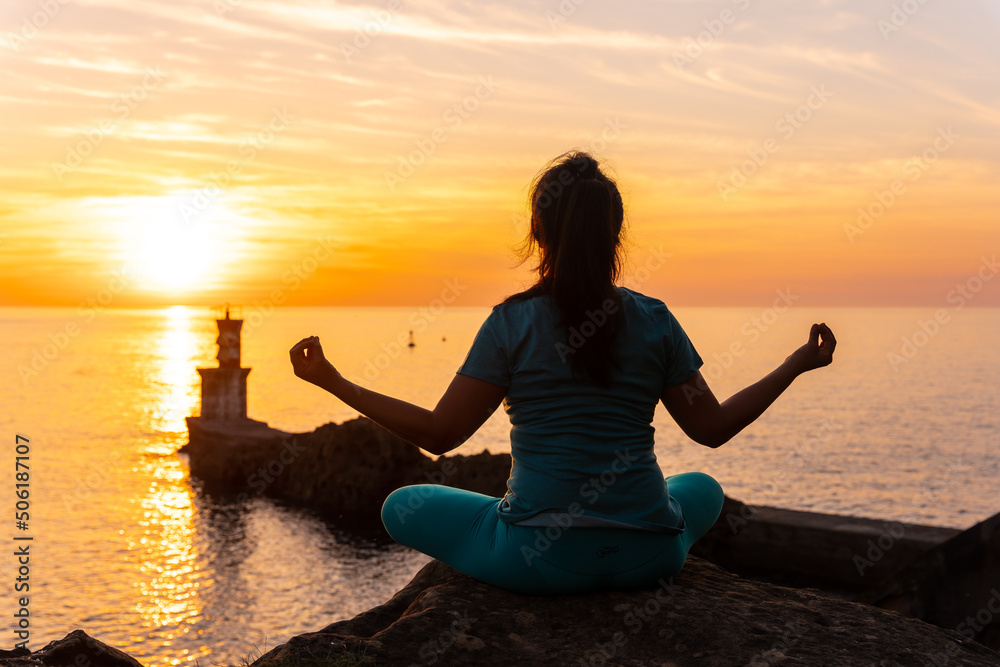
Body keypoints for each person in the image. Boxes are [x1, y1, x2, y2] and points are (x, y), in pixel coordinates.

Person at [289, 151, 836, 596]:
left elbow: (440, 435)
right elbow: (711, 430)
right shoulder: (655, 320)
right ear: (616, 234)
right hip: (652, 557)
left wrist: (334, 382)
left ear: (538, 231)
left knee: (398, 505)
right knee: (702, 490)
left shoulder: (512, 323)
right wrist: (794, 364)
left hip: (538, 563)